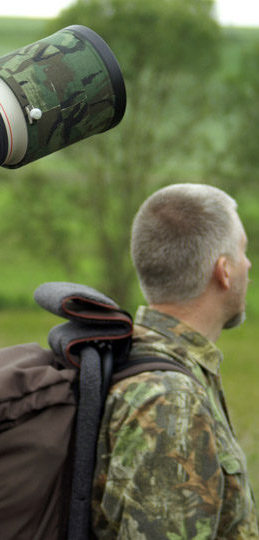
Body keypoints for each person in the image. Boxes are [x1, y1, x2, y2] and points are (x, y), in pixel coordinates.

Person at [92, 183, 259, 538]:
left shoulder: (143, 357)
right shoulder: (171, 400)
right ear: (224, 271)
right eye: (243, 251)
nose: (249, 263)